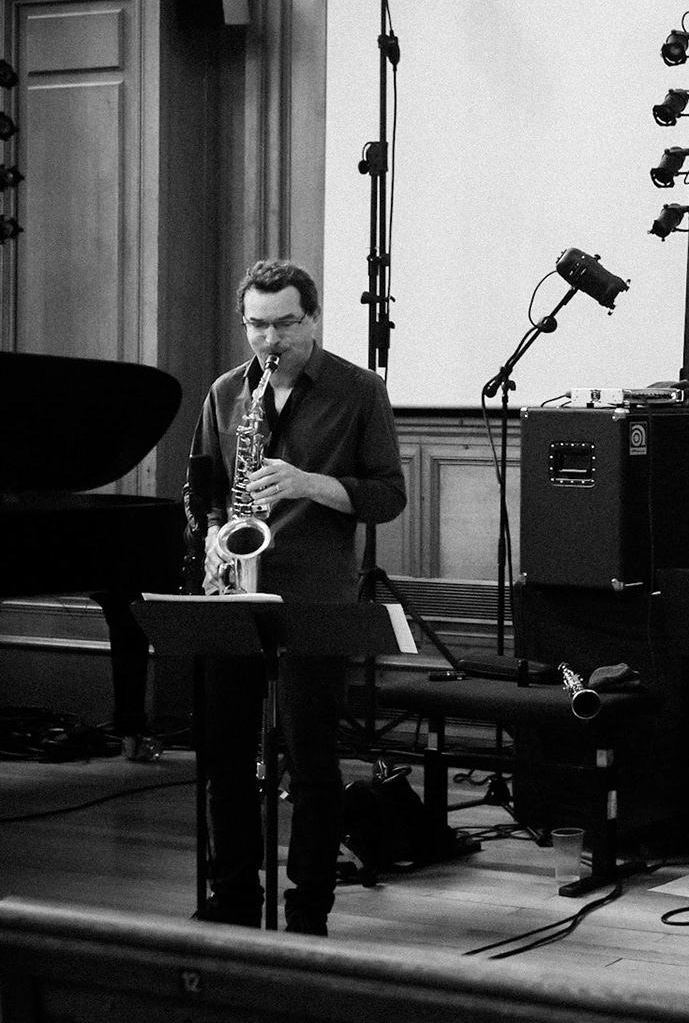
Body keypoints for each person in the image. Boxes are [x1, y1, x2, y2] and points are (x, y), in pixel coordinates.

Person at [189, 260, 406, 935]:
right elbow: (203, 491)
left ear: (312, 317)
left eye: (284, 322)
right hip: (235, 595)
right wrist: (213, 534)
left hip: (314, 593)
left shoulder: (358, 392)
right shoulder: (227, 392)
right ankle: (233, 895)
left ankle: (309, 905)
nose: (269, 339)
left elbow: (389, 497)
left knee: (312, 762)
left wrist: (309, 483)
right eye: (257, 324)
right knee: (227, 759)